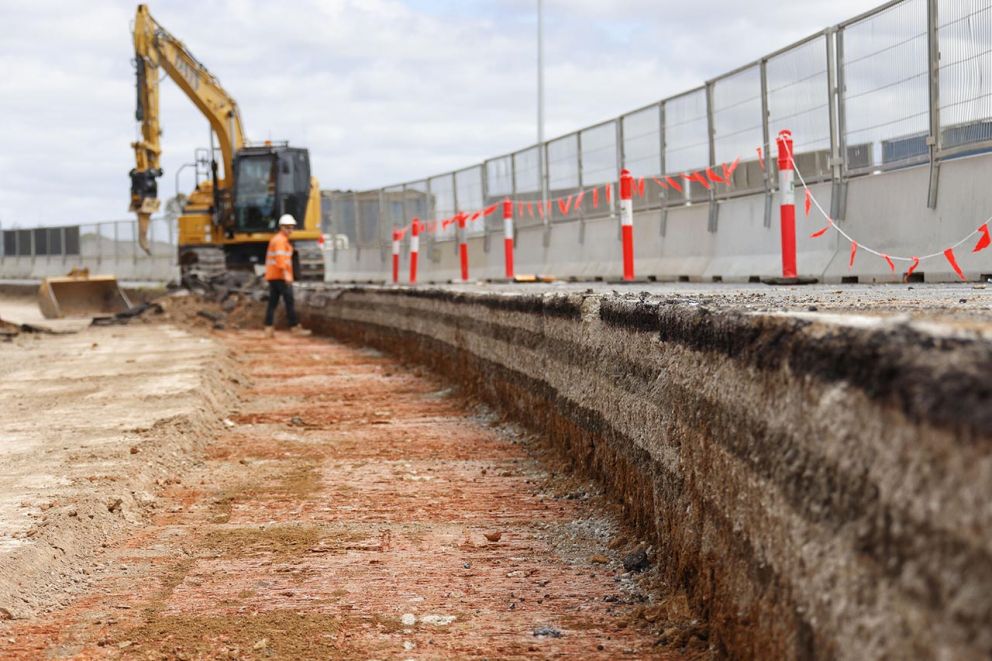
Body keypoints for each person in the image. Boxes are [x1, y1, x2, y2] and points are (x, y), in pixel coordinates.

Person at [263, 214, 309, 337]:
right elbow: (280, 260)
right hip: (280, 276)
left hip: (273, 276)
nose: (290, 230)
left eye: (291, 227)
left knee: (273, 302)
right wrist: (286, 276)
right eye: (287, 227)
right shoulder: (280, 241)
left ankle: (268, 328)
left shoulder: (280, 240)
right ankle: (294, 327)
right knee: (289, 301)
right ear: (282, 227)